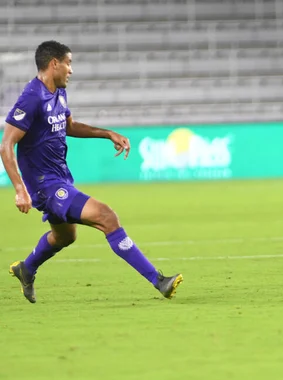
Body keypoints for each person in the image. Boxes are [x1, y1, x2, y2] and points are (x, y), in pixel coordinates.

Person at [0, 40, 183, 303]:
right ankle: (158, 280)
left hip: (60, 177)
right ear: (54, 64)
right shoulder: (31, 98)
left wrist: (107, 134)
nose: (71, 70)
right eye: (68, 63)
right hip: (45, 185)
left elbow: (69, 127)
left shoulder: (58, 92)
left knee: (65, 236)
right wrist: (20, 189)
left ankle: (26, 268)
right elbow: (6, 144)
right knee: (107, 216)